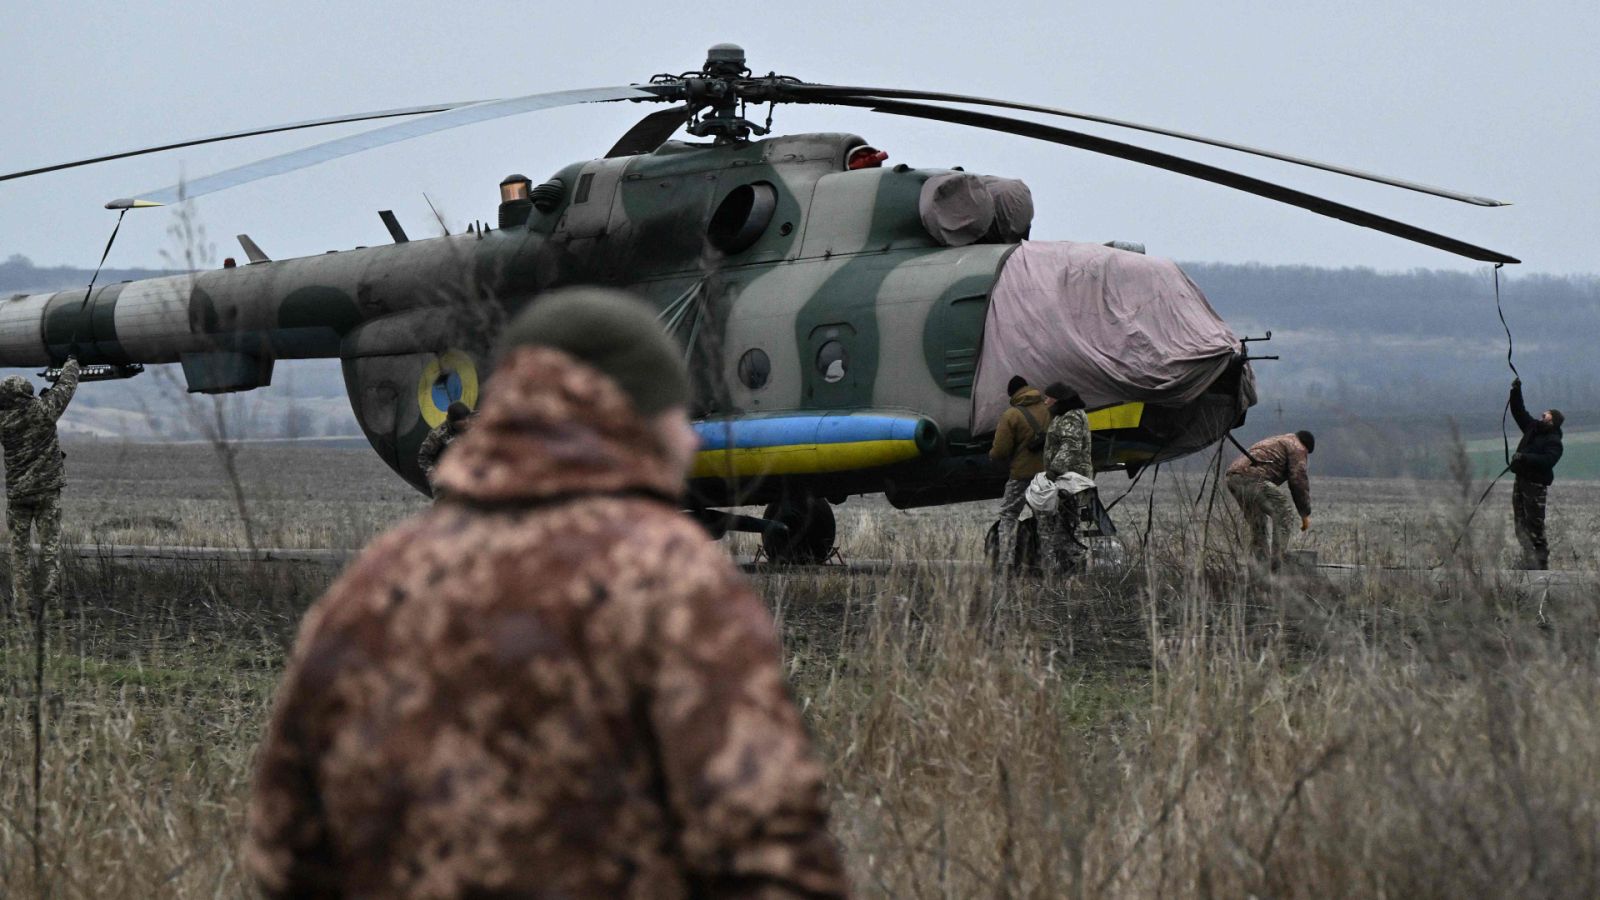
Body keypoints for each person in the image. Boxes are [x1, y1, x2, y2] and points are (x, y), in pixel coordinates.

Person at [245, 288, 846, 899]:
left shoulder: (369, 588)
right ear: (640, 419)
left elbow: (284, 854)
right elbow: (773, 850)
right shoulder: (671, 581)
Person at [0, 357, 80, 617]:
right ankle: (51, 607)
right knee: (49, 551)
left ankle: (22, 607)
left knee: (19, 554)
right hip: (47, 493)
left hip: (17, 497)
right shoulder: (44, 411)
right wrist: (71, 362)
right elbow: (66, 387)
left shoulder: (3, 422)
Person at [1225, 430, 1314, 567]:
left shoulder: (1279, 440)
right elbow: (1298, 479)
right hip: (1253, 478)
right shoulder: (1298, 447)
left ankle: (1259, 567)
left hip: (1233, 478)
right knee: (1284, 512)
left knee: (1258, 523)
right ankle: (1277, 564)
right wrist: (1304, 513)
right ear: (1307, 447)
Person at [988, 375, 1048, 566]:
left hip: (1021, 476)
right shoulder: (1048, 410)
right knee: (1044, 519)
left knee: (1009, 516)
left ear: (1012, 394)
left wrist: (992, 456)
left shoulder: (1011, 415)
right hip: (1047, 476)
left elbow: (1000, 451)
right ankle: (1047, 561)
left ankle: (1005, 562)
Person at [1508, 378, 1564, 570]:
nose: (1542, 414)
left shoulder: (1554, 441)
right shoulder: (1532, 428)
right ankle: (1528, 562)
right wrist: (1516, 391)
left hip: (1536, 487)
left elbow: (1548, 461)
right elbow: (1518, 411)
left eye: (1546, 414)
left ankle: (1541, 566)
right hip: (1521, 481)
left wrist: (1524, 458)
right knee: (1520, 525)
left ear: (1553, 420)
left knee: (1535, 527)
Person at [1040, 382, 1093, 575]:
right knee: (1063, 524)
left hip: (1070, 481)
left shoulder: (1071, 416)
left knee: (1070, 525)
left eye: (1048, 398)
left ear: (1058, 399)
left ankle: (1076, 569)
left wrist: (1054, 471)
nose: (1045, 402)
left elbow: (1070, 445)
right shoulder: (1063, 415)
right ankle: (1067, 570)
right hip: (1065, 480)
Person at [416, 400, 472, 492]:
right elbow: (423, 456)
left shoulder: (474, 424)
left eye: (468, 418)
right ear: (453, 421)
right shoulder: (438, 435)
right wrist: (433, 474)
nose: (467, 422)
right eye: (463, 420)